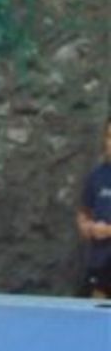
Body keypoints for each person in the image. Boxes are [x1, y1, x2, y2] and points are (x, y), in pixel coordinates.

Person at [76, 117, 111, 298]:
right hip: (99, 263)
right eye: (109, 136)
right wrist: (87, 227)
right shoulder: (96, 176)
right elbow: (84, 212)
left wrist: (108, 231)